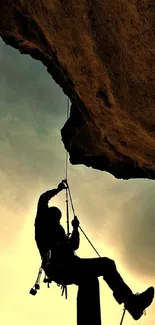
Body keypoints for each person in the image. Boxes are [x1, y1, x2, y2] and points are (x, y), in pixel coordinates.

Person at [34, 180, 154, 321]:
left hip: (67, 268)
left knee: (90, 282)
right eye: (56, 217)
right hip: (62, 267)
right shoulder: (42, 223)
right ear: (49, 215)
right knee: (106, 265)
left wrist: (75, 229)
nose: (57, 220)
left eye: (58, 219)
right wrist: (58, 189)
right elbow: (43, 199)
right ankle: (133, 304)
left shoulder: (56, 231)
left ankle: (97, 318)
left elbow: (74, 245)